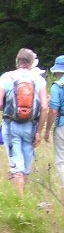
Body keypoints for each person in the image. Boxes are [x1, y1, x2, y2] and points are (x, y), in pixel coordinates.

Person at [0, 48, 49, 195]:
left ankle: (20, 200)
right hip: (31, 126)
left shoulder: (7, 77)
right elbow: (44, 107)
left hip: (11, 125)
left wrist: (12, 109)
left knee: (16, 163)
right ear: (31, 63)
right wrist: (39, 132)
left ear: (17, 61)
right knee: (26, 162)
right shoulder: (39, 80)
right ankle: (24, 194)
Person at [44, 55, 64, 187]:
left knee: (61, 160)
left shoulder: (57, 87)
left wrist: (47, 130)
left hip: (62, 125)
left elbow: (53, 111)